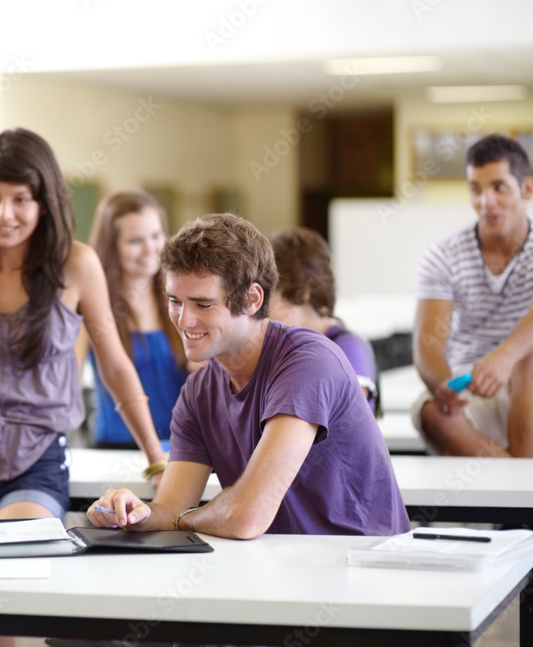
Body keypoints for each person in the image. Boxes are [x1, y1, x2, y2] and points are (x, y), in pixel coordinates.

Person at [0, 128, 168, 525]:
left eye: (20, 199)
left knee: (15, 549)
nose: (3, 213)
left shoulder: (77, 264)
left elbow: (115, 367)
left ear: (44, 203)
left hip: (36, 461)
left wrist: (156, 462)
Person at [88, 213, 409, 538]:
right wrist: (135, 513)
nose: (183, 320)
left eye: (202, 304)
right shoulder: (199, 390)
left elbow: (245, 519)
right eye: (175, 301)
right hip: (279, 570)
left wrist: (182, 519)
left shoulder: (309, 362)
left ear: (253, 299)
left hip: (362, 570)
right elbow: (169, 509)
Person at [412, 133, 533, 458]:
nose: (486, 202)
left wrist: (505, 357)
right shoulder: (443, 254)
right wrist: (444, 385)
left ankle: (516, 482)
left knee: (528, 360)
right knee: (430, 412)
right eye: (476, 189)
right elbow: (428, 345)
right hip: (471, 387)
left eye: (498, 187)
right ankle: (516, 482)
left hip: (526, 383)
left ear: (527, 189)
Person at [78, 190, 190, 447]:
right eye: (135, 241)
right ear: (111, 245)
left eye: (155, 235)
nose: (151, 249)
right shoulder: (92, 305)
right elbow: (66, 377)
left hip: (185, 450)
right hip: (118, 449)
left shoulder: (183, 298)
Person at [269, 226, 379, 414]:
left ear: (301, 293)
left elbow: (348, 420)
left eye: (270, 293)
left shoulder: (348, 347)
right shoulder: (284, 347)